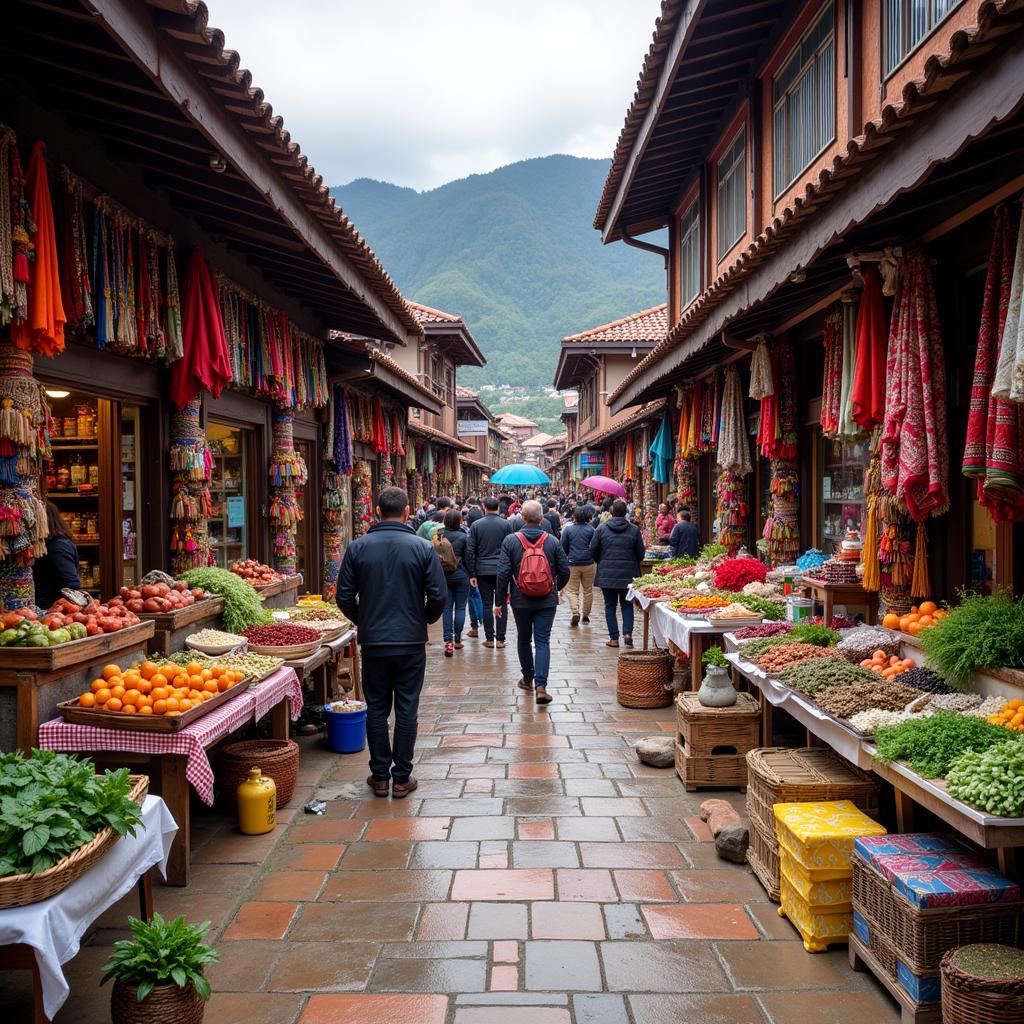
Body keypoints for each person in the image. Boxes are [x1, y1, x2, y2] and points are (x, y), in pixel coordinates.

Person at [338, 486, 447, 799]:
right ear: (407, 510)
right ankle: (402, 778)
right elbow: (438, 595)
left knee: (376, 708)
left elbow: (343, 595)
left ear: (376, 511)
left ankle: (380, 777)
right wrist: (424, 618)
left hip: (374, 643)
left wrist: (364, 620)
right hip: (410, 641)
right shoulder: (422, 548)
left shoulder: (358, 547)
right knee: (406, 707)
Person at [495, 500, 569, 705]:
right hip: (547, 599)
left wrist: (499, 601)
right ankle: (542, 686)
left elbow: (502, 573)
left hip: (520, 599)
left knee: (524, 638)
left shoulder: (510, 541)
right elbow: (565, 570)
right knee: (543, 640)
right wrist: (555, 587)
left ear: (522, 518)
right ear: (542, 518)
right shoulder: (552, 540)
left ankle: (528, 678)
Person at [591, 498, 645, 648]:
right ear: (626, 512)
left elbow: (593, 550)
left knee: (609, 606)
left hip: (607, 575)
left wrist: (602, 562)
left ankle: (614, 638)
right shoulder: (634, 530)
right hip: (628, 574)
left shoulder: (601, 529)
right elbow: (640, 553)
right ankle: (627, 634)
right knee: (627, 604)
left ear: (612, 512)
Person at [466, 495, 512, 648]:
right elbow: (510, 548)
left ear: (484, 508)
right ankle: (500, 639)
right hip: (502, 570)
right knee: (502, 604)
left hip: (482, 570)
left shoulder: (476, 526)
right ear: (498, 508)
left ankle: (489, 639)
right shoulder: (506, 525)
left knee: (486, 604)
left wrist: (472, 573)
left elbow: (470, 550)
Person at [33, 501, 80, 609]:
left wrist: (58, 608)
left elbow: (72, 584)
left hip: (50, 610)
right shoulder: (53, 544)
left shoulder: (58, 547)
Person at [438, 508, 470, 656]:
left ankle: (447, 642)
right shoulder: (464, 536)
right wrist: (472, 574)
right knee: (460, 608)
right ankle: (457, 639)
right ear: (459, 521)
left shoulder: (439, 535)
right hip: (461, 574)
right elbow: (469, 557)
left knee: (446, 609)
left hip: (443, 575)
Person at [560, 505, 596, 628]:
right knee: (588, 590)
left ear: (574, 516)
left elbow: (563, 547)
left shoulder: (568, 530)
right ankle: (586, 614)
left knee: (571, 590)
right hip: (589, 563)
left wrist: (566, 559)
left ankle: (575, 611)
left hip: (572, 563)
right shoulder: (591, 530)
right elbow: (595, 546)